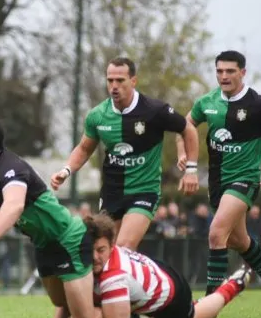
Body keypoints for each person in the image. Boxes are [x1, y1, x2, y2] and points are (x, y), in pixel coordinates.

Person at [0, 115, 102, 318]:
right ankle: (88, 301)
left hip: (67, 238)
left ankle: (127, 315)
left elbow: (14, 206)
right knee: (60, 300)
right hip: (43, 245)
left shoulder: (10, 168)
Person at [177, 50, 261, 317]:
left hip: (244, 180)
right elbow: (185, 126)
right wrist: (183, 153)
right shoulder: (206, 102)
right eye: (219, 71)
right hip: (217, 183)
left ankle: (206, 308)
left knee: (216, 233)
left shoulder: (260, 105)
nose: (224, 76)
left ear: (243, 72)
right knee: (239, 240)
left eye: (230, 71)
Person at [51, 57, 199, 251]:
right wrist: (66, 170)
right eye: (110, 80)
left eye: (120, 80)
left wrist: (191, 169)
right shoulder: (97, 115)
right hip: (112, 193)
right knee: (105, 251)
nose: (114, 86)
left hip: (144, 190)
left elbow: (188, 130)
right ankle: (137, 279)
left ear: (133, 81)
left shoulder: (154, 111)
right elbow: (84, 148)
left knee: (124, 246)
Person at [70, 213, 250, 318]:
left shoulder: (114, 274)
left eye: (101, 250)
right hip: (151, 274)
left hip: (171, 292)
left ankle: (234, 284)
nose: (94, 257)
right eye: (90, 250)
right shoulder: (85, 259)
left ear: (111, 246)